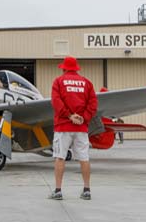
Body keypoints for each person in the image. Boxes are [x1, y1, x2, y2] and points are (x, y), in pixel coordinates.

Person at [49, 56, 98, 200]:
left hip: (63, 126)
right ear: (76, 68)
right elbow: (93, 103)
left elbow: (56, 101)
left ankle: (58, 191)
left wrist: (69, 116)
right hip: (81, 128)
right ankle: (87, 190)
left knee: (60, 157)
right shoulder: (87, 83)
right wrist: (84, 118)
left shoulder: (58, 81)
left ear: (64, 68)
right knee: (84, 158)